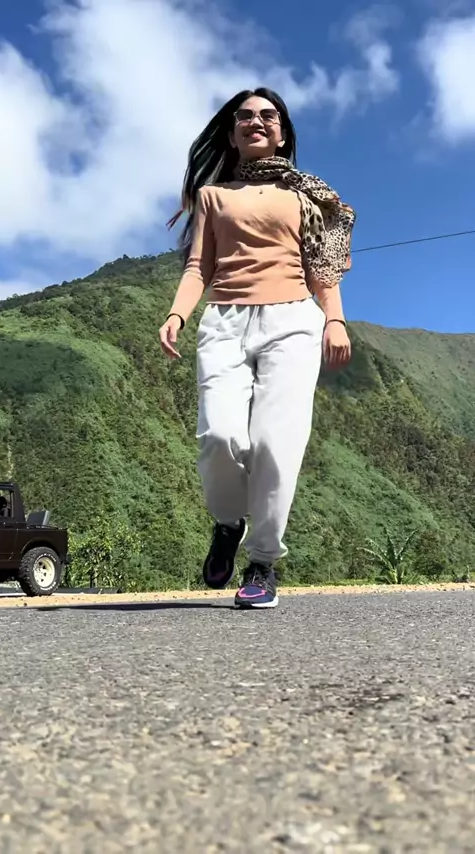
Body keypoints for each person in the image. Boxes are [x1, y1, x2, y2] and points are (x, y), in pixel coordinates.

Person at [159, 87, 355, 609]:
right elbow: (198, 266)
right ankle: (229, 522)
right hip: (224, 321)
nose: (256, 122)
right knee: (220, 435)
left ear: (282, 133)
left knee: (275, 442)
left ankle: (263, 562)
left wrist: (334, 320)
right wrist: (177, 314)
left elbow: (323, 268)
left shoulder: (306, 197)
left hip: (293, 320)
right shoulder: (213, 196)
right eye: (245, 116)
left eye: (268, 116)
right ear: (232, 134)